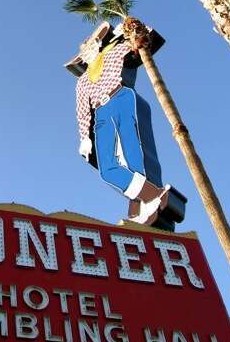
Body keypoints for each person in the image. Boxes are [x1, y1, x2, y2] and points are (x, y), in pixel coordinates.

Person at [66, 22, 184, 226]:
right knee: (108, 169)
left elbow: (145, 41)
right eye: (84, 50)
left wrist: (129, 29)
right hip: (101, 112)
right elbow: (83, 111)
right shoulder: (83, 81)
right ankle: (152, 196)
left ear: (98, 44)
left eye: (91, 45)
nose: (88, 50)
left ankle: (142, 206)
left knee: (134, 155)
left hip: (122, 97)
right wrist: (85, 137)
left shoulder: (114, 51)